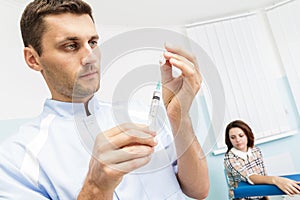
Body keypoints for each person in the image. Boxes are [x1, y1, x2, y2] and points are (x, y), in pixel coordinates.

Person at [0, 0, 209, 199]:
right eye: (71, 46)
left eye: (92, 42)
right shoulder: (16, 160)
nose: (90, 56)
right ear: (33, 59)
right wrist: (95, 186)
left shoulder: (140, 113)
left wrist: (179, 117)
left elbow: (199, 190)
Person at [224, 120, 300, 200]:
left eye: (241, 135)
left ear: (247, 135)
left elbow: (263, 175)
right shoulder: (229, 159)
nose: (238, 140)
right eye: (233, 137)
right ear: (229, 140)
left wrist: (267, 197)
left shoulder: (255, 150)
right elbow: (250, 177)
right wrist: (276, 180)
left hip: (260, 194)